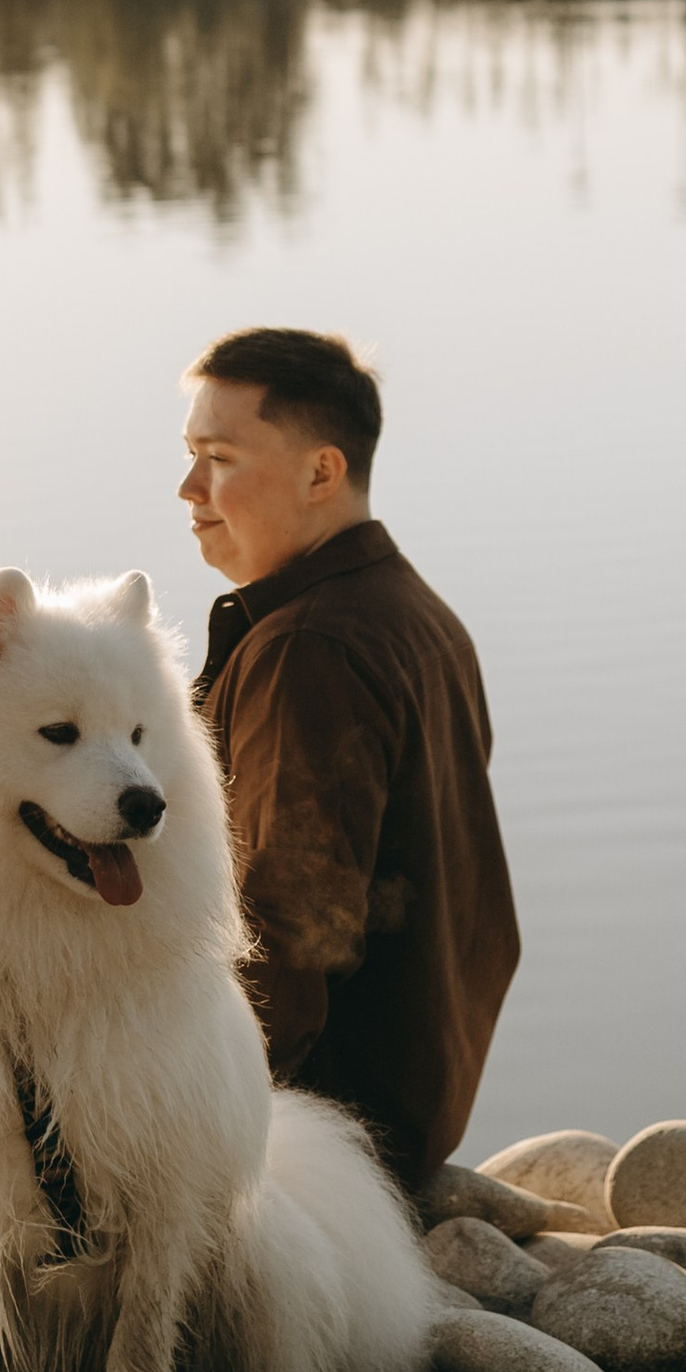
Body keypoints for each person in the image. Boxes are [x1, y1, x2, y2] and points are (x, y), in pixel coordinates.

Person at [180, 326, 518, 1190]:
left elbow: (286, 936)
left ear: (322, 471)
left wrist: (190, 1128)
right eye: (191, 455)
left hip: (325, 1130)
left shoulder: (311, 649)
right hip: (416, 1097)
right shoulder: (415, 610)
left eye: (218, 457)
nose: (189, 489)